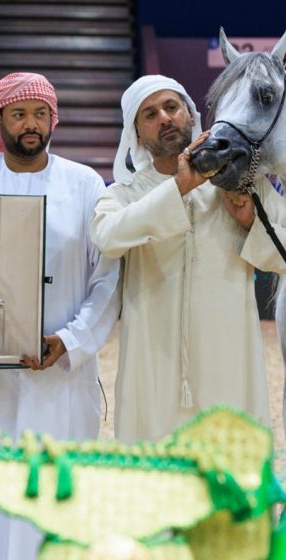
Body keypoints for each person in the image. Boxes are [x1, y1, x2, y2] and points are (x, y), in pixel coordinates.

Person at [0, 72, 121, 560]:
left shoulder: (84, 184)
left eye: (39, 113)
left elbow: (107, 278)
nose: (30, 124)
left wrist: (71, 341)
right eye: (18, 114)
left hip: (60, 377)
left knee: (55, 495)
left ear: (53, 119)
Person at [90, 75, 286, 442]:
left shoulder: (241, 184)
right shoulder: (123, 194)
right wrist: (179, 187)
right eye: (150, 114)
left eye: (171, 107)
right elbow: (108, 236)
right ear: (136, 133)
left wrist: (250, 223)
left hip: (230, 360)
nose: (164, 118)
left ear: (190, 115)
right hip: (154, 367)